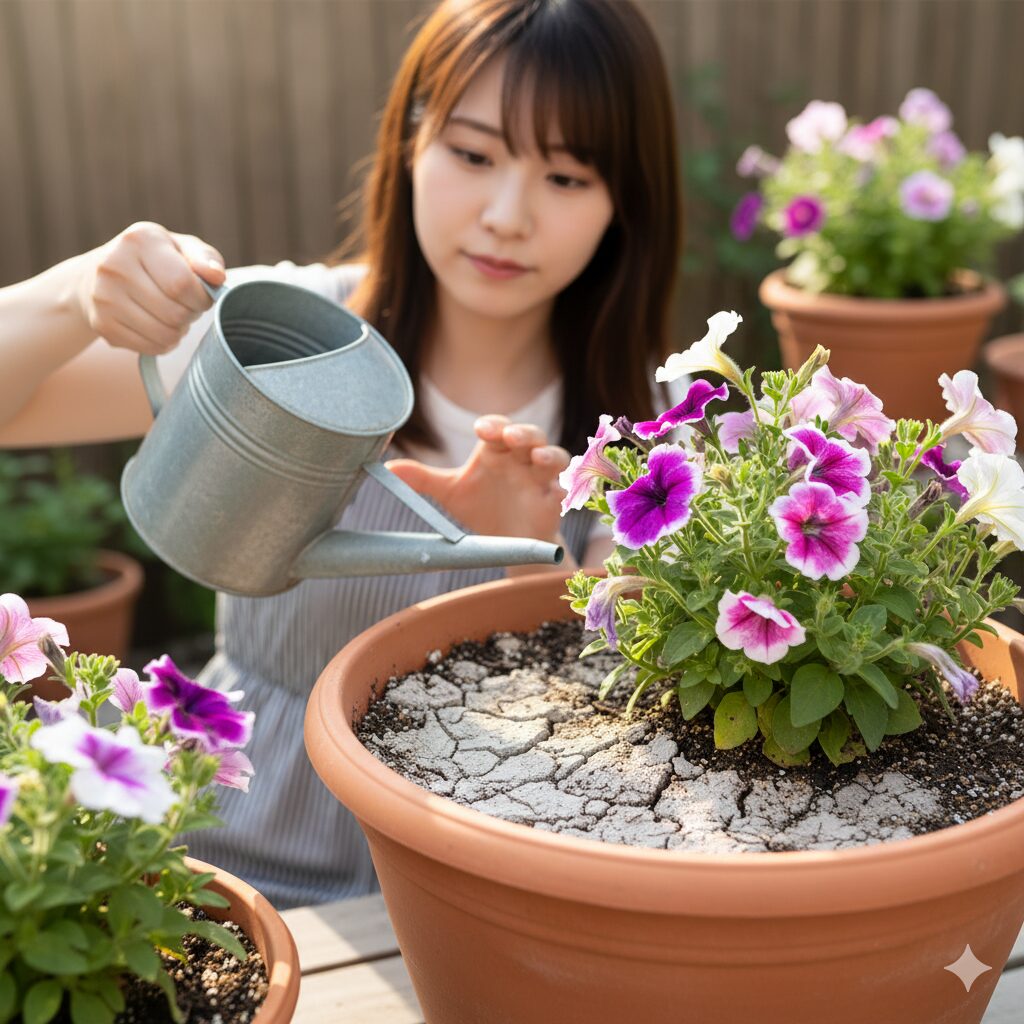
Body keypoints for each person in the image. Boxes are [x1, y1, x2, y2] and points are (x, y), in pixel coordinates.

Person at [0, 0, 682, 908]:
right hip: (228, 857)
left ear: (623, 202)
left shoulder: (650, 425)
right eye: (474, 154)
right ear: (410, 144)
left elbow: (628, 709)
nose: (506, 216)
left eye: (565, 176)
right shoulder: (285, 332)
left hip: (484, 886)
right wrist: (77, 293)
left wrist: (529, 570)